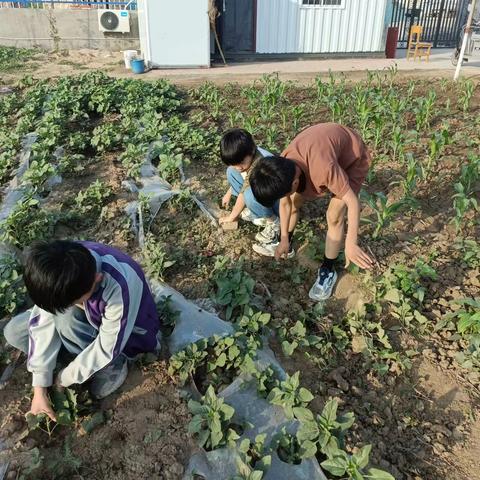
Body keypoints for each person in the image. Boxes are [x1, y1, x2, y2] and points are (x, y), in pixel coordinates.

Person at [3, 240, 159, 421]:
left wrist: (63, 378)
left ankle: (113, 366)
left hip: (126, 336)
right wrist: (40, 385)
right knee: (14, 332)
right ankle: (75, 357)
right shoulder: (61, 267)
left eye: (71, 302)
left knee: (66, 320)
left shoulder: (120, 284)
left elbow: (107, 347)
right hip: (88, 315)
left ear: (96, 279)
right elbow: (43, 321)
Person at [249, 122, 375, 301]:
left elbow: (353, 203)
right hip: (326, 147)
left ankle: (327, 270)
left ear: (294, 184)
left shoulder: (324, 169)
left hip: (352, 158)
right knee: (293, 201)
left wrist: (351, 243)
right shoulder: (282, 165)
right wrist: (283, 239)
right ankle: (288, 245)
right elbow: (286, 204)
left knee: (334, 216)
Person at [218, 129, 280, 244]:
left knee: (249, 195)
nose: (239, 167)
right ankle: (256, 210)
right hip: (266, 192)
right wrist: (228, 193)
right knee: (231, 172)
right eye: (234, 163)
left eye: (241, 162)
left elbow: (245, 191)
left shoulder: (262, 164)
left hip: (280, 202)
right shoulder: (249, 154)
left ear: (251, 150)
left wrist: (231, 217)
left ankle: (275, 223)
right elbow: (244, 177)